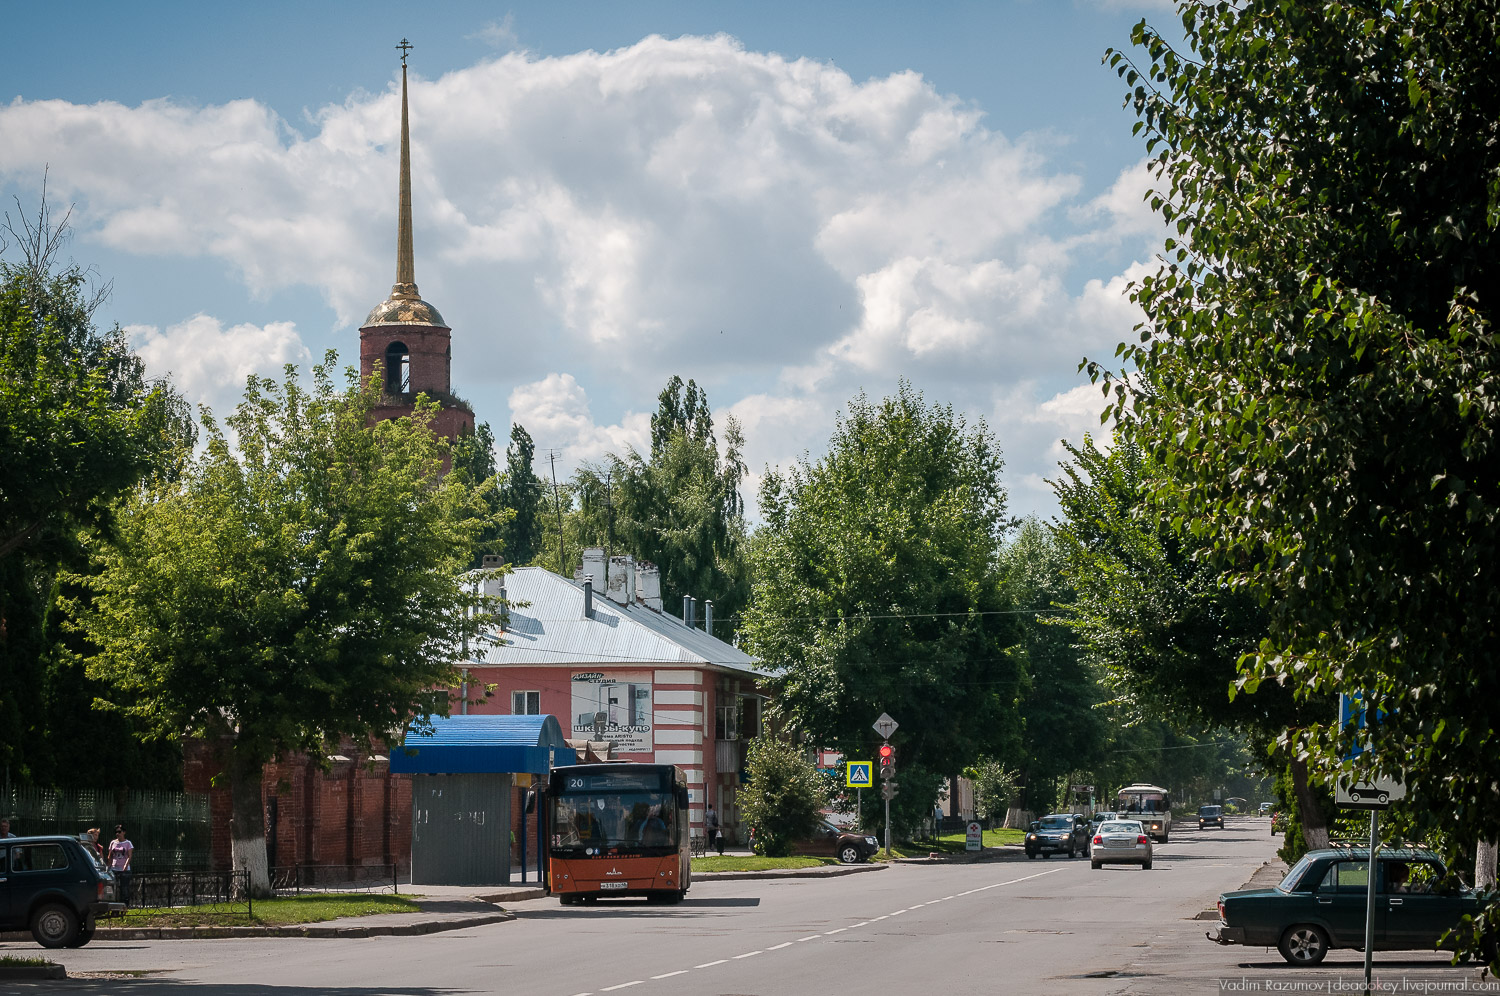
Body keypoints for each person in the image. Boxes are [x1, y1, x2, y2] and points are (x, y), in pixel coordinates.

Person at [108, 825, 134, 906]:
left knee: (124, 887)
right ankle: (113, 903)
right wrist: (108, 867)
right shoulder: (113, 842)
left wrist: (125, 866)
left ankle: (125, 904)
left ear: (124, 832)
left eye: (119, 832)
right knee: (112, 886)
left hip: (124, 869)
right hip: (114, 867)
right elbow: (110, 855)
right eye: (116, 832)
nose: (117, 834)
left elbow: (129, 856)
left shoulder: (128, 843)